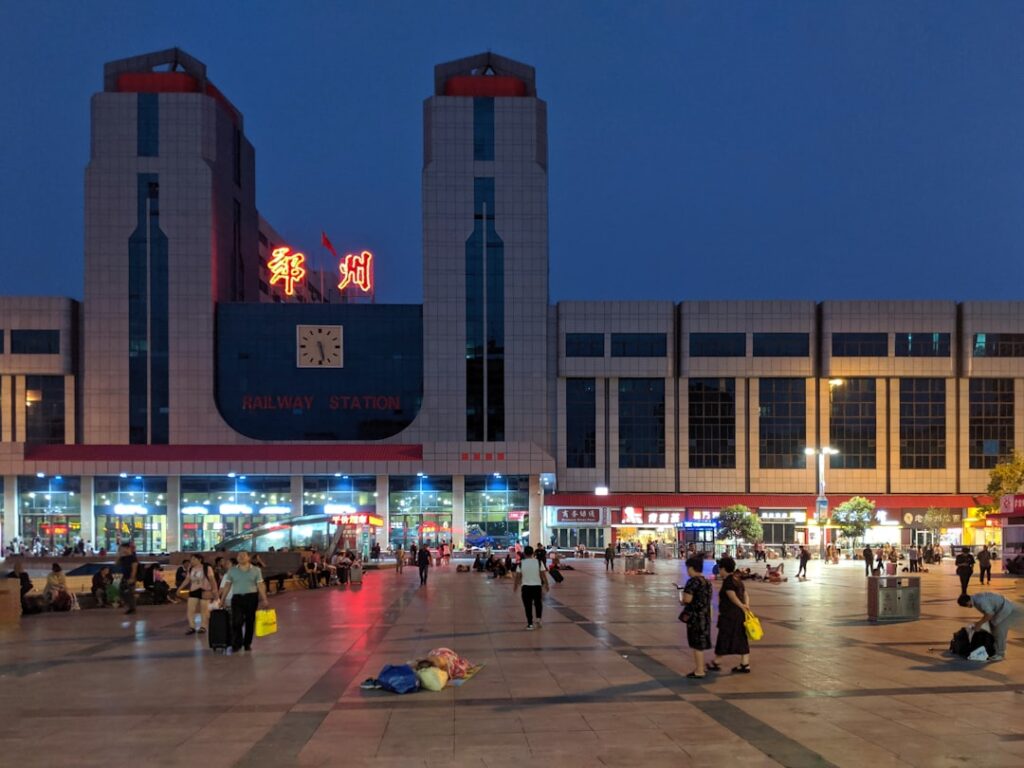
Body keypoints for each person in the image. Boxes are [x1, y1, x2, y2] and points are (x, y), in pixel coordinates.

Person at [218, 551, 269, 653]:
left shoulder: (256, 570)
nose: (241, 557)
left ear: (248, 558)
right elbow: (227, 586)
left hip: (251, 598)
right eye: (239, 555)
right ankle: (237, 643)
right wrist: (222, 600)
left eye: (243, 555)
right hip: (237, 598)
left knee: (250, 621)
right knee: (236, 622)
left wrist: (264, 599)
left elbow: (260, 585)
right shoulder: (232, 571)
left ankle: (247, 643)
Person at [707, 557, 751, 674]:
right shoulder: (737, 579)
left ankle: (716, 662)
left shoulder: (728, 581)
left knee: (724, 637)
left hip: (730, 615)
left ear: (724, 569)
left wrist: (742, 606)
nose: (719, 570)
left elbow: (732, 596)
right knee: (741, 637)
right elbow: (745, 594)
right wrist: (746, 605)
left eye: (720, 568)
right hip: (739, 614)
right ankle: (744, 664)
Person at [957, 592, 1024, 661]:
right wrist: (979, 624)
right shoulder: (975, 598)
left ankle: (1000, 654)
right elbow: (988, 613)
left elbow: (989, 614)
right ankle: (994, 649)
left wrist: (979, 624)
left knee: (999, 632)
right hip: (999, 609)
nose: (968, 607)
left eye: (966, 605)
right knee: (993, 629)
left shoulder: (980, 602)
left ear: (967, 601)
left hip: (1004, 610)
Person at [679, 555, 712, 678]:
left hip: (695, 617)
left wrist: (683, 600)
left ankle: (699, 670)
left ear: (691, 568)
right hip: (705, 615)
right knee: (701, 644)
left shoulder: (693, 581)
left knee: (696, 644)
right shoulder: (706, 581)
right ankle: (701, 667)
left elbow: (687, 599)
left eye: (688, 568)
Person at [513, 544, 548, 630]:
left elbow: (517, 576)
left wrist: (515, 586)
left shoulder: (521, 563)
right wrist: (547, 584)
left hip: (526, 587)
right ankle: (539, 619)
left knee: (528, 606)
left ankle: (530, 624)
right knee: (538, 603)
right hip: (537, 586)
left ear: (524, 553)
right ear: (533, 553)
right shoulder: (539, 562)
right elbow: (543, 575)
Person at [185, 554, 217, 635]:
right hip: (193, 590)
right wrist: (179, 589)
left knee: (204, 610)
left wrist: (214, 591)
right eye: (191, 559)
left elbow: (212, 580)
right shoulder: (190, 568)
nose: (191, 561)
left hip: (205, 590)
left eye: (193, 559)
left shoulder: (207, 568)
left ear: (200, 559)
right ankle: (192, 626)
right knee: (190, 609)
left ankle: (203, 627)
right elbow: (187, 579)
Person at [117, 544, 139, 615]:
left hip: (130, 577)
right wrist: (119, 555)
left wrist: (132, 578)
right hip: (124, 577)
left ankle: (132, 608)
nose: (122, 550)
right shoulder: (123, 558)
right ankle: (130, 606)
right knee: (122, 591)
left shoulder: (133, 558)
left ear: (127, 548)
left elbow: (134, 568)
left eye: (123, 549)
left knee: (130, 593)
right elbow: (116, 563)